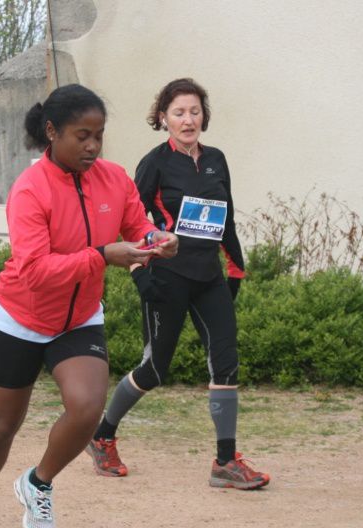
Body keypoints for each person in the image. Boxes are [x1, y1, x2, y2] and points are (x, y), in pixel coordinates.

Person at [0, 84, 178, 528]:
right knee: (2, 428)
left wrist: (158, 238)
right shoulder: (29, 191)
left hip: (78, 317)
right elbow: (36, 272)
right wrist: (102, 256)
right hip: (20, 317)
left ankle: (38, 483)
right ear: (52, 132)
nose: (93, 147)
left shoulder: (114, 179)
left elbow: (137, 225)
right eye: (83, 135)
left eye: (99, 135)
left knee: (86, 407)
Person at [86, 78, 270, 490]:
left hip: (209, 277)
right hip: (166, 278)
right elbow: (128, 222)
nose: (188, 120)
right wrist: (140, 275)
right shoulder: (154, 163)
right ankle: (102, 435)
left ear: (204, 115)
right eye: (178, 112)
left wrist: (236, 269)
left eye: (195, 111)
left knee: (226, 362)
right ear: (162, 118)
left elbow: (227, 219)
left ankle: (225, 462)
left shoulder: (216, 159)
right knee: (154, 369)